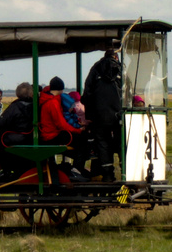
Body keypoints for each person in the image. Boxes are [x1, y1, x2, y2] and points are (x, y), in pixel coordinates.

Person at [82, 40, 124, 181]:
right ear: (116, 57)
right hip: (118, 115)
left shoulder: (95, 69)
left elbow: (87, 92)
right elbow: (128, 92)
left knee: (103, 144)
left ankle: (107, 174)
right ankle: (125, 172)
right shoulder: (121, 69)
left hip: (99, 116)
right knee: (121, 142)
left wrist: (90, 115)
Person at [37, 76, 87, 181]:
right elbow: (61, 124)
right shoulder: (53, 103)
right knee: (82, 140)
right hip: (52, 136)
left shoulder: (47, 99)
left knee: (78, 140)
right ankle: (76, 169)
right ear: (61, 89)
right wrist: (78, 130)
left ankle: (70, 168)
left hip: (48, 134)